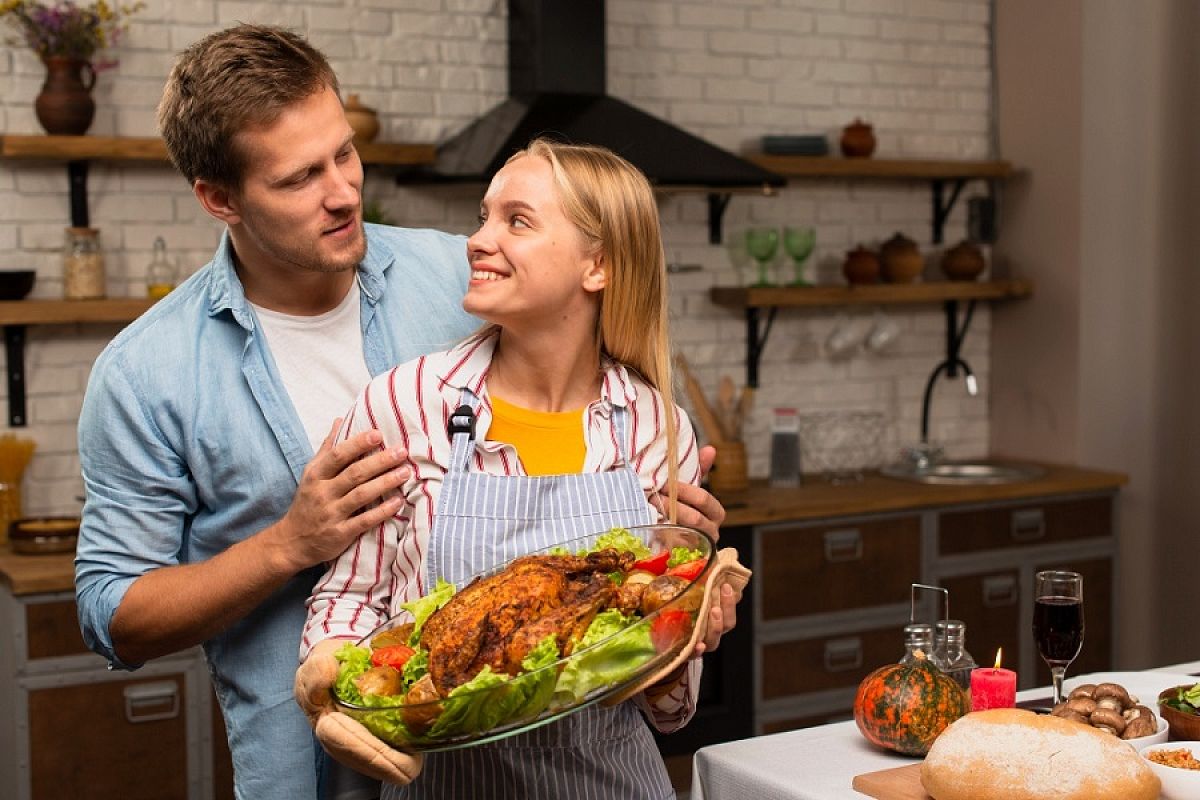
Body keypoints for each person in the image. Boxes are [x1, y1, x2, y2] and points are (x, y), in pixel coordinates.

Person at [73, 23, 727, 800]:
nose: (344, 191)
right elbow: (112, 613)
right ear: (220, 199)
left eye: (344, 153)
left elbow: (587, 356)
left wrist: (676, 545)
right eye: (299, 178)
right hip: (309, 769)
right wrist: (287, 544)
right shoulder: (148, 372)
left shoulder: (461, 270)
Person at [295, 138, 747, 800]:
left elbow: (670, 713)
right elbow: (352, 595)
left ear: (598, 265)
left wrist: (689, 625)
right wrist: (330, 677)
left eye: (517, 220)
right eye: (483, 217)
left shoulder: (658, 427)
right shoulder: (405, 402)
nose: (478, 240)